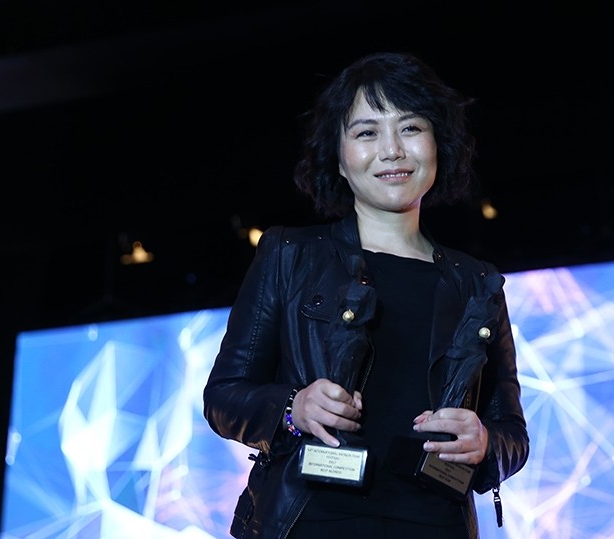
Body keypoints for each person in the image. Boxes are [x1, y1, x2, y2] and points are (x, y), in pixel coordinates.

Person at [203, 51, 529, 539]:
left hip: (435, 524)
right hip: (308, 522)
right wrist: (294, 408)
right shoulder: (290, 255)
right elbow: (224, 397)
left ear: (439, 142)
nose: (392, 150)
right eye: (366, 132)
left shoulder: (477, 283)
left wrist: (485, 443)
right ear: (338, 155)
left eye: (411, 128)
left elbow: (512, 433)